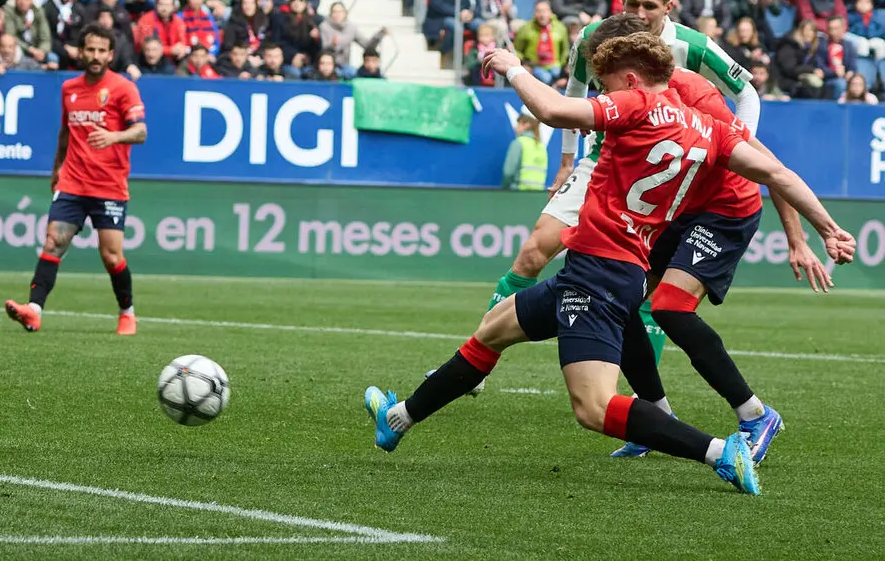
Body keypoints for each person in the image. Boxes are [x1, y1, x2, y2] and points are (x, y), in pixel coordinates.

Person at [364, 32, 854, 495]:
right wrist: (827, 227)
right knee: (493, 328)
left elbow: (554, 109)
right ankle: (398, 420)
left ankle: (723, 453)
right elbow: (776, 173)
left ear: (634, 79)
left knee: (593, 408)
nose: (603, 92)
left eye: (607, 83)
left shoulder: (637, 103)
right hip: (609, 266)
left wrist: (514, 69)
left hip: (599, 274)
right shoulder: (710, 130)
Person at [481, 0, 755, 378]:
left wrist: (738, 143)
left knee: (650, 286)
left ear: (669, 7)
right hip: (600, 157)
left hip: (664, 170)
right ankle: (480, 356)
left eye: (650, 6)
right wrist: (567, 160)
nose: (641, 13)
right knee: (535, 250)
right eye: (633, 4)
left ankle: (647, 395)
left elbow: (746, 93)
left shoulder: (692, 46)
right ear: (621, 2)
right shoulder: (594, 36)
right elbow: (573, 91)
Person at [577, 14, 822, 462]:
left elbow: (768, 165)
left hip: (727, 207)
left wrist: (799, 238)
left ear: (628, 68)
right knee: (621, 293)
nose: (602, 90)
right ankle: (655, 420)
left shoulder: (691, 92)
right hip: (678, 207)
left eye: (604, 78)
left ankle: (755, 415)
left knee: (669, 306)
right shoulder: (632, 98)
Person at [5, 23, 147, 335]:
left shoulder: (123, 88)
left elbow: (141, 131)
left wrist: (113, 136)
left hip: (109, 185)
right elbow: (66, 132)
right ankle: (34, 310)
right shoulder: (69, 88)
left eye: (101, 51)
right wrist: (57, 167)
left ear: (110, 55)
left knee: (111, 256)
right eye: (90, 50)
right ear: (80, 52)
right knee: (54, 240)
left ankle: (127, 312)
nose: (95, 56)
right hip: (72, 181)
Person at [513, 0, 569, 84]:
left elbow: (565, 50)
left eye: (545, 11)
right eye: (539, 11)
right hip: (535, 65)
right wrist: (524, 64)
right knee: (546, 78)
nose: (542, 15)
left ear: (550, 12)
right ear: (534, 13)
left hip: (555, 64)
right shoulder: (526, 29)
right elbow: (517, 50)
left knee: (556, 73)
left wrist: (563, 67)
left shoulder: (560, 28)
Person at [502, 113, 546, 190]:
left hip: (518, 193)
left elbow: (508, 172)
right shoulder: (541, 147)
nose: (515, 127)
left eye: (518, 124)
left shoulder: (518, 143)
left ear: (527, 125)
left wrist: (504, 189)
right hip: (537, 195)